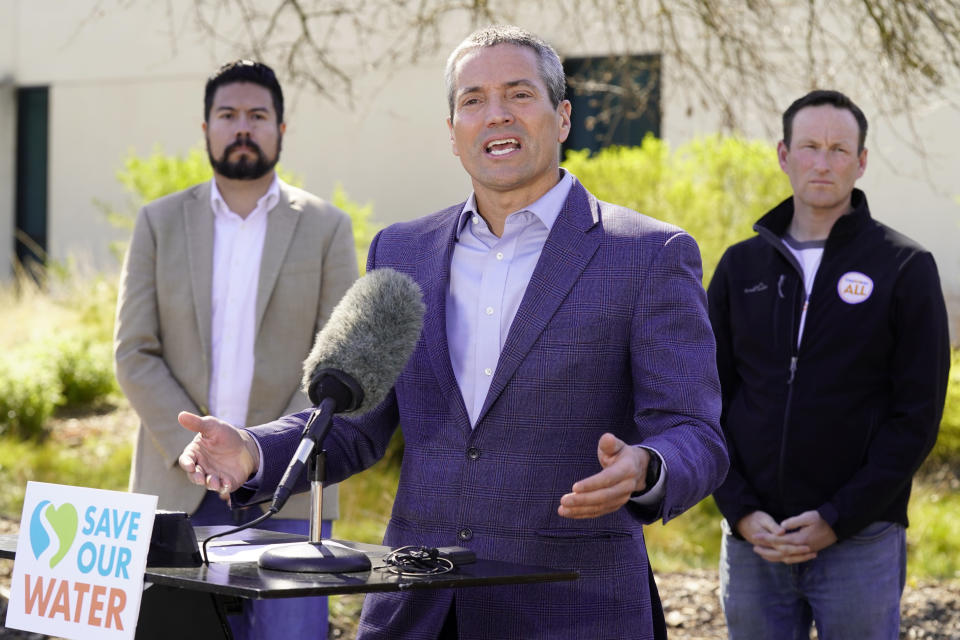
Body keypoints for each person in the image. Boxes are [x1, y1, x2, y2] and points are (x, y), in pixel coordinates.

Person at [177, 27, 728, 639]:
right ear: (452, 132)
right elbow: (355, 421)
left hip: (572, 605)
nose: (495, 115)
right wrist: (252, 450)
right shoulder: (402, 250)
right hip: (419, 606)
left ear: (562, 116)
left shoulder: (649, 254)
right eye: (473, 100)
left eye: (519, 95)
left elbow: (696, 432)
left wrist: (648, 466)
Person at [114, 60, 358, 640]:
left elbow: (337, 363)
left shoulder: (327, 228)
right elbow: (134, 352)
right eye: (228, 115)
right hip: (177, 486)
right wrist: (193, 446)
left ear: (280, 128)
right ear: (205, 128)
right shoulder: (159, 223)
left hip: (289, 490)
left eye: (257, 115)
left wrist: (261, 453)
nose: (242, 127)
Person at [707, 90, 950, 639]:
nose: (823, 161)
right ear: (782, 154)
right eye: (810, 146)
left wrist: (838, 518)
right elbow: (707, 399)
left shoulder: (904, 266)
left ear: (861, 161)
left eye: (840, 149)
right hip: (754, 541)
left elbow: (916, 417)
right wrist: (740, 510)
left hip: (860, 539)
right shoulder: (739, 266)